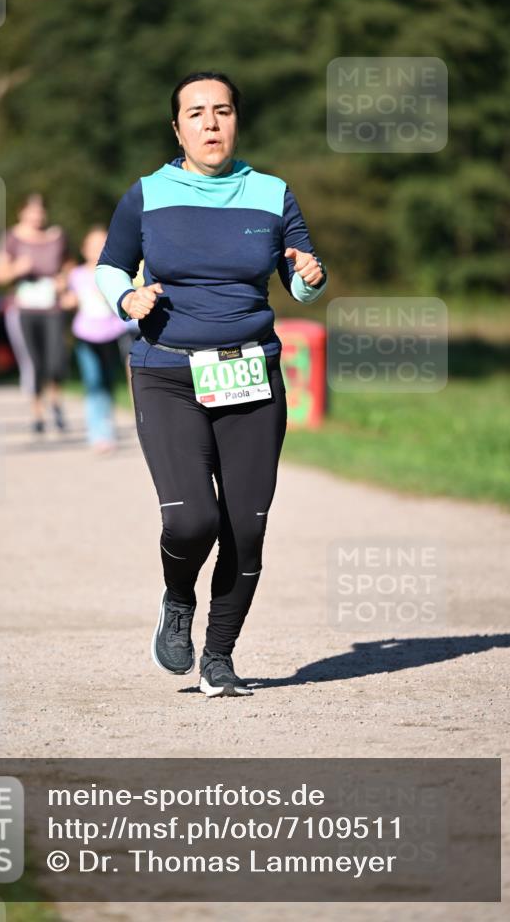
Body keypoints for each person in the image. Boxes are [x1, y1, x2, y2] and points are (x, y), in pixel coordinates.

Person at [96, 71, 327, 697]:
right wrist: (127, 297)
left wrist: (310, 273)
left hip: (250, 371)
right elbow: (110, 266)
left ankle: (219, 657)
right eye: (195, 113)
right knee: (193, 519)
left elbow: (303, 278)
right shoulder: (146, 195)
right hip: (167, 371)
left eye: (221, 111)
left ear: (236, 121)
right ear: (177, 128)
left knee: (247, 527)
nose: (210, 123)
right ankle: (178, 601)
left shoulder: (272, 193)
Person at [0, 194, 69, 434]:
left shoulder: (57, 236)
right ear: (21, 212)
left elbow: (68, 265)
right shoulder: (12, 238)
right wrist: (16, 269)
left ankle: (55, 401)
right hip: (23, 308)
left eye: (40, 211)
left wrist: (63, 282)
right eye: (31, 211)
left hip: (51, 307)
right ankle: (37, 412)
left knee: (55, 359)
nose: (36, 216)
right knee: (34, 362)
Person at [62, 226, 128, 454]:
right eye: (92, 246)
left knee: (108, 382)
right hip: (85, 335)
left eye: (101, 244)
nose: (96, 250)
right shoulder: (77, 274)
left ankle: (107, 429)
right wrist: (66, 299)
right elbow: (69, 300)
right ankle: (97, 433)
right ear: (84, 250)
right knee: (93, 382)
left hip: (111, 333)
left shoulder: (114, 274)